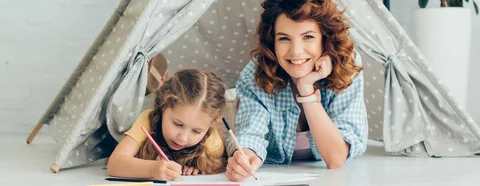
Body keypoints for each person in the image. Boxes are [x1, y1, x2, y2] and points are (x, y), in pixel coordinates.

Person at [225, 0, 368, 182]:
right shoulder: (254, 74)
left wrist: (306, 89)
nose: (296, 51)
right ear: (272, 42)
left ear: (326, 38)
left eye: (308, 37)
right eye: (284, 38)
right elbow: (251, 133)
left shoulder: (347, 66)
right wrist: (244, 158)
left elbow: (335, 158)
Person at [108, 69, 228, 181]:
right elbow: (115, 163)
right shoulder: (148, 120)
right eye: (177, 124)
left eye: (196, 131)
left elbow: (218, 165)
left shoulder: (210, 137)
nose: (182, 137)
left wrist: (201, 167)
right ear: (163, 106)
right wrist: (152, 169)